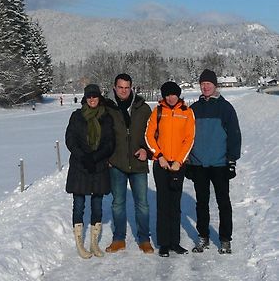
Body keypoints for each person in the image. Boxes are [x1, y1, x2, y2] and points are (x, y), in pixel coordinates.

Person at [188, 69, 242, 254]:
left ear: (215, 85)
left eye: (208, 83)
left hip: (220, 164)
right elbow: (187, 137)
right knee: (201, 203)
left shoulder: (226, 108)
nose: (205, 86)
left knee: (223, 202)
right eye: (203, 84)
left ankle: (225, 239)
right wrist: (188, 161)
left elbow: (234, 135)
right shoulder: (194, 109)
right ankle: (203, 237)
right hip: (198, 164)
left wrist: (232, 160)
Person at [104, 73, 154, 253]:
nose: (123, 91)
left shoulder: (143, 108)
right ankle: (119, 239)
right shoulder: (107, 108)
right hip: (116, 163)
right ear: (114, 88)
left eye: (127, 87)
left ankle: (144, 239)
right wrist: (106, 157)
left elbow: (152, 135)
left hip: (138, 162)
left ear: (131, 88)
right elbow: (101, 136)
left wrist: (146, 151)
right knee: (118, 203)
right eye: (120, 87)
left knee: (142, 204)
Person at [145, 81, 195, 257]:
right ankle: (164, 243)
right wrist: (159, 156)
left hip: (177, 165)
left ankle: (175, 242)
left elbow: (189, 139)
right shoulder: (157, 111)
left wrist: (179, 161)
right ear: (163, 96)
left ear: (178, 95)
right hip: (162, 164)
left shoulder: (187, 112)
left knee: (175, 204)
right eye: (167, 94)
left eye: (173, 94)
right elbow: (149, 135)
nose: (171, 97)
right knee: (163, 203)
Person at [65, 84, 115, 259]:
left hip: (99, 166)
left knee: (97, 205)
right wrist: (84, 156)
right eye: (89, 97)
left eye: (95, 96)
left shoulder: (106, 117)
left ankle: (94, 242)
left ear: (99, 98)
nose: (92, 99)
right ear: (85, 99)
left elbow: (110, 142)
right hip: (80, 166)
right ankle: (80, 243)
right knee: (79, 205)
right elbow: (70, 139)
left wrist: (95, 157)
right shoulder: (76, 116)